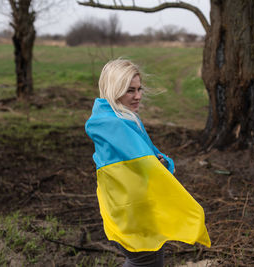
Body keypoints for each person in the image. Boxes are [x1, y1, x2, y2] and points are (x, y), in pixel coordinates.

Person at [85, 59, 210, 267]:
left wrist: (161, 161)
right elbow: (145, 163)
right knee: (145, 261)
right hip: (134, 215)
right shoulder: (114, 125)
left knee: (146, 260)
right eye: (130, 91)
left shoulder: (120, 118)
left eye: (139, 89)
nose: (138, 96)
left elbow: (146, 157)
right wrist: (161, 165)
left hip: (136, 209)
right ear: (114, 90)